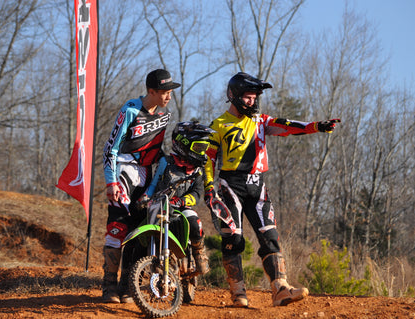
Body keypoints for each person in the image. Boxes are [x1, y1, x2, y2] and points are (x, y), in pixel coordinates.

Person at [204, 72, 340, 307]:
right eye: (248, 97)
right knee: (233, 239)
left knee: (270, 237)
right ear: (233, 96)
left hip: (258, 185)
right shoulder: (219, 125)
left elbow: (289, 126)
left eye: (255, 97)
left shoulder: (261, 120)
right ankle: (238, 294)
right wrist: (208, 187)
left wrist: (316, 126)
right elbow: (208, 159)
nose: (253, 102)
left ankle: (280, 289)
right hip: (230, 185)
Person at [102, 69, 180, 303]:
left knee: (139, 233)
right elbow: (110, 148)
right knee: (117, 228)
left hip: (146, 177)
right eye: (164, 92)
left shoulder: (164, 117)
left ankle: (128, 286)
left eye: (170, 92)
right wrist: (111, 181)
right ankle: (108, 286)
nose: (168, 96)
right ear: (152, 91)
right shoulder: (130, 110)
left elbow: (156, 152)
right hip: (123, 172)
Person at [141, 121, 214, 276]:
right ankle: (133, 273)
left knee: (194, 220)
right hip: (160, 206)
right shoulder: (166, 163)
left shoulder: (198, 171)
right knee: (138, 230)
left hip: (181, 208)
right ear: (184, 144)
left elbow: (197, 194)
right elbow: (154, 184)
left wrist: (182, 201)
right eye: (198, 148)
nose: (202, 152)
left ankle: (199, 251)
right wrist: (145, 197)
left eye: (204, 149)